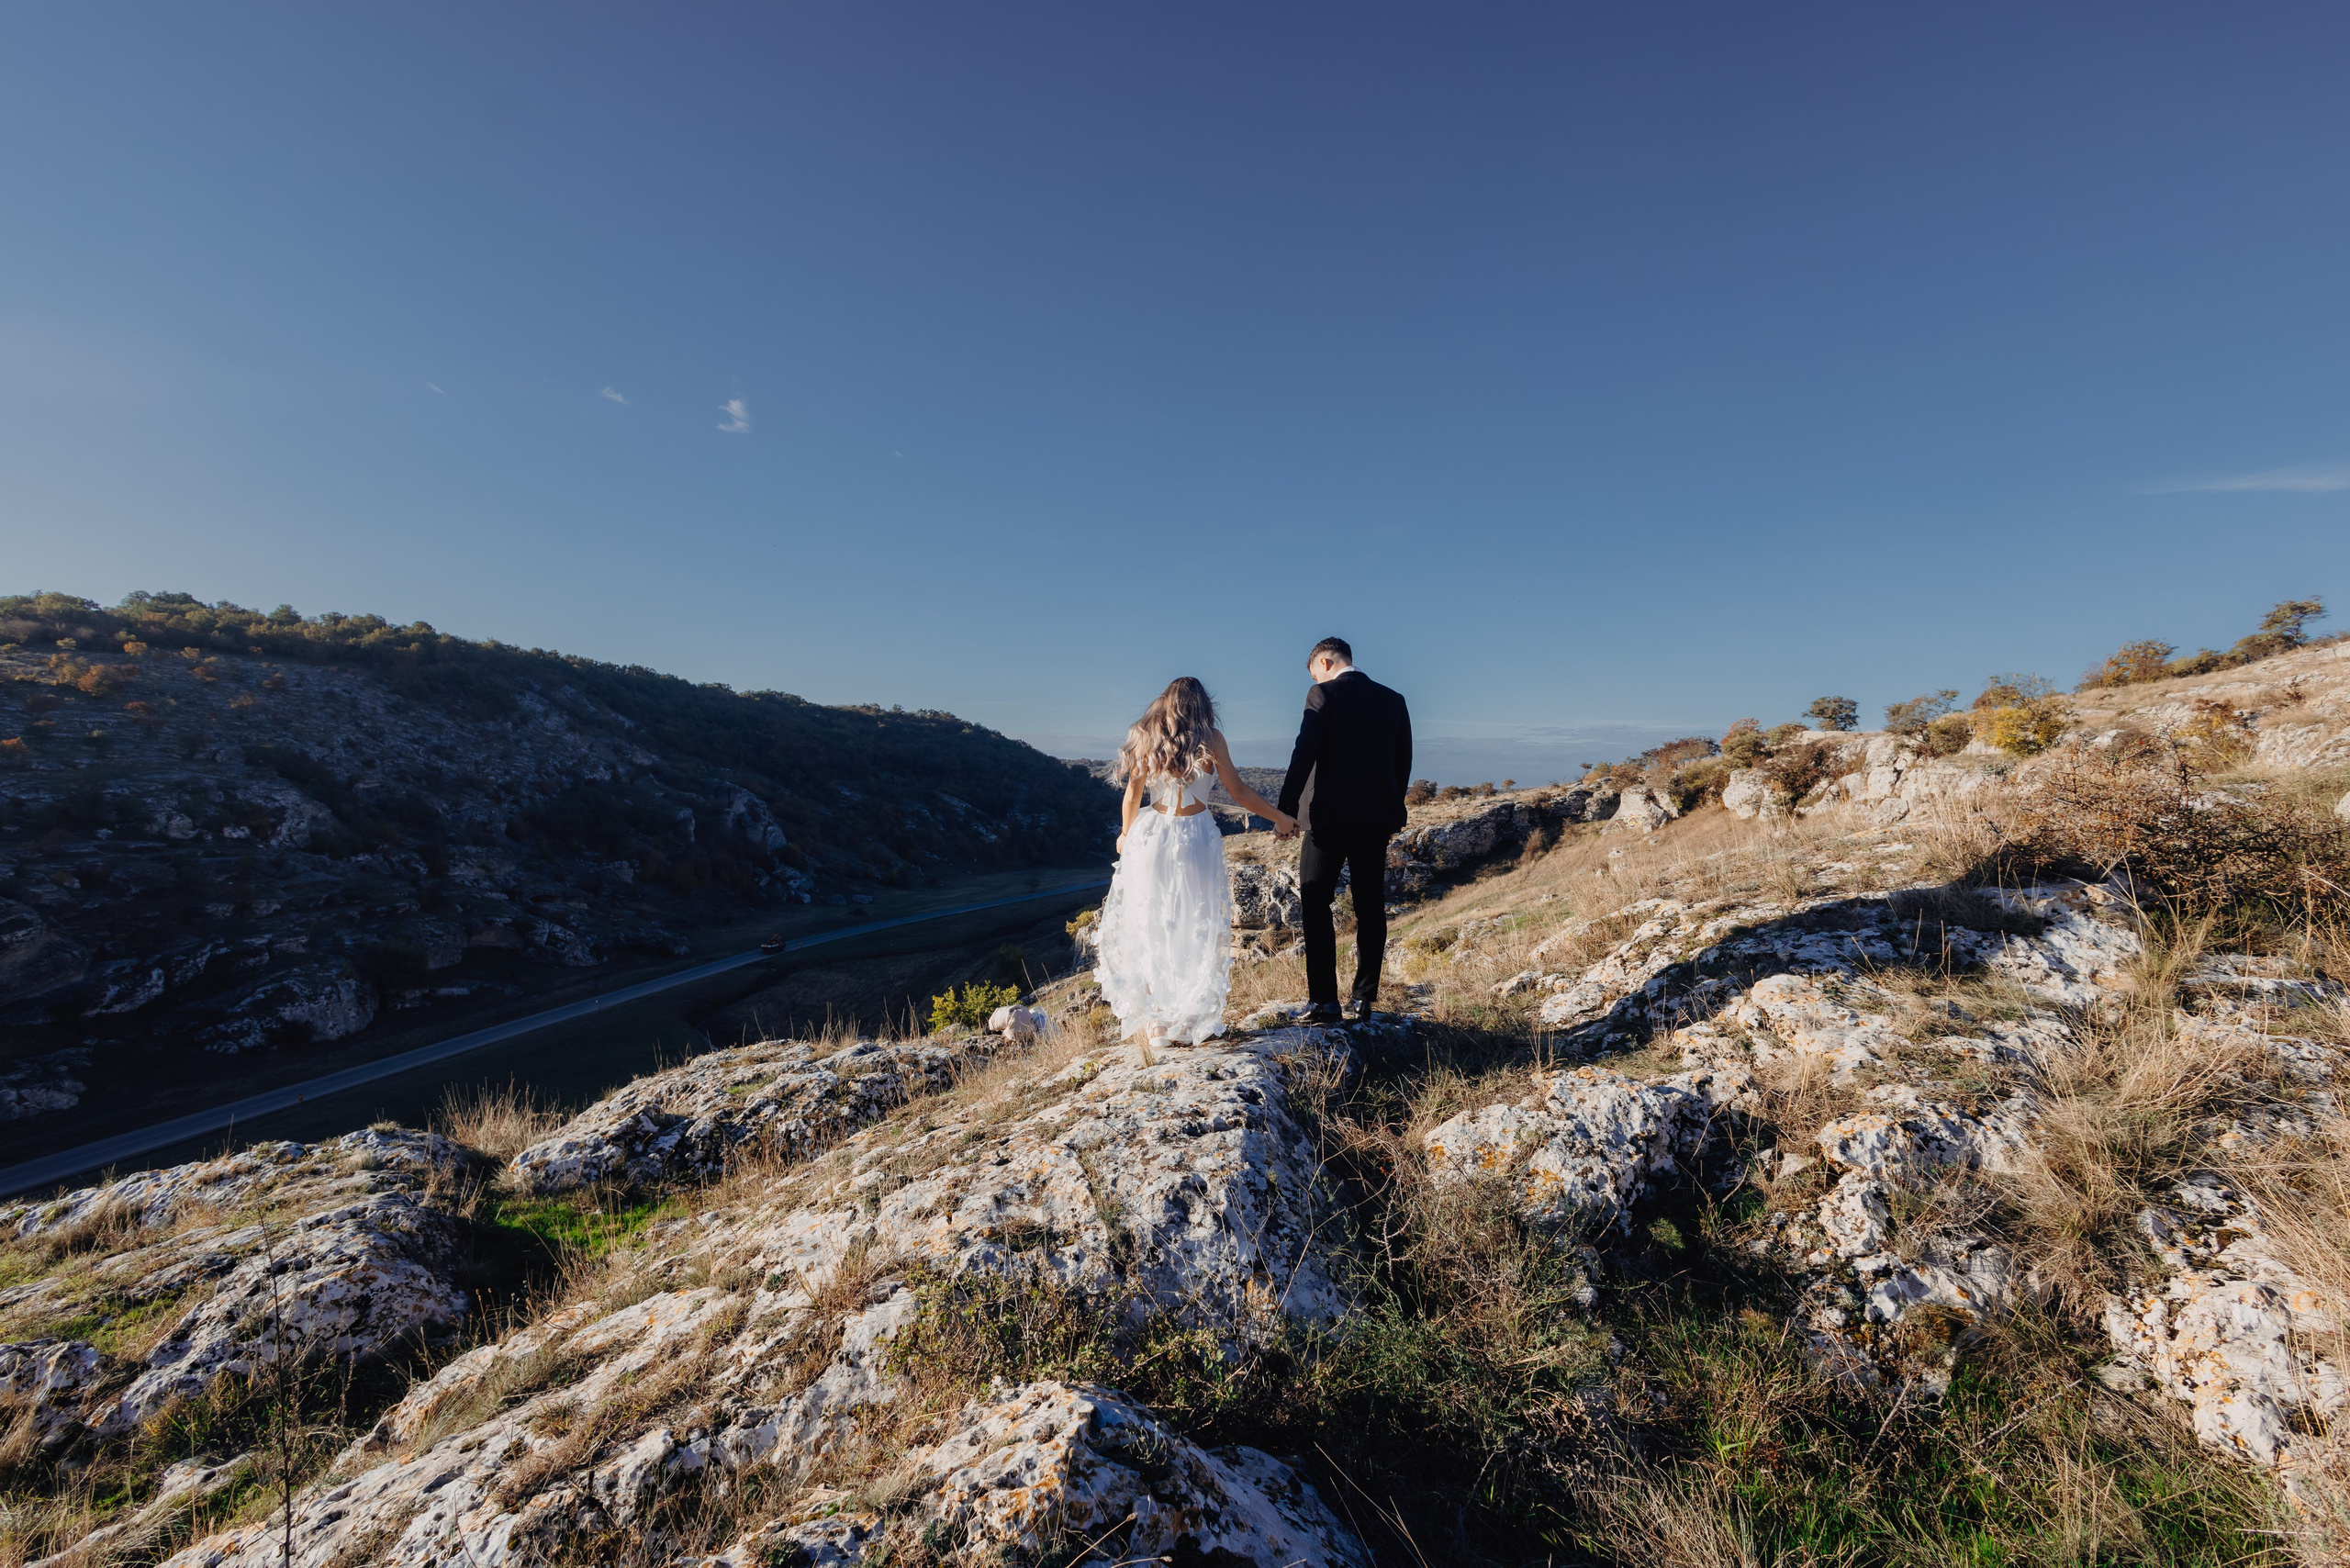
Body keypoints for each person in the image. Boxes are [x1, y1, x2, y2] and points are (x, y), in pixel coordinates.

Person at [1094, 677, 1297, 1047]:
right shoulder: (1212, 738)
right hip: (1194, 837)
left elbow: (1131, 796)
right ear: (1203, 703)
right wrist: (1279, 817)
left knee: (1151, 924)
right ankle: (1185, 1019)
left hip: (1151, 835)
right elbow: (1239, 792)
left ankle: (1156, 1024)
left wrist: (1125, 834)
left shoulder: (1146, 734)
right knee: (1193, 923)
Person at [1274, 637, 1412, 1025]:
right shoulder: (1393, 699)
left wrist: (1284, 811)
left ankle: (1325, 1003)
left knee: (1316, 902)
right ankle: (1364, 999)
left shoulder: (1322, 694)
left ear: (1324, 661)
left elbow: (1304, 752)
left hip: (1327, 818)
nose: (1315, 676)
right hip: (1375, 820)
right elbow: (1402, 763)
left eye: (1315, 670)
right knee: (1371, 906)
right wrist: (1391, 814)